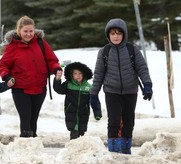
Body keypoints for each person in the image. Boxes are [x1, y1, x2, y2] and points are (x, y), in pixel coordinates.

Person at [90, 18, 153, 154]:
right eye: (113, 33)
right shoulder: (104, 52)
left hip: (130, 91)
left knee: (128, 121)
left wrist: (147, 84)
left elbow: (142, 68)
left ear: (124, 34)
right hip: (111, 91)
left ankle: (125, 150)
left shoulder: (132, 49)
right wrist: (93, 94)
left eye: (119, 33)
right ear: (108, 35)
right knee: (114, 121)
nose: (116, 36)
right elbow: (99, 74)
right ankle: (113, 151)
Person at [0, 15, 62, 138]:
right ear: (19, 31)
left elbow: (51, 59)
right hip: (20, 89)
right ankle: (26, 141)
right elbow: (4, 65)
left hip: (39, 87)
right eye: (25, 31)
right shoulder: (12, 46)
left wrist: (56, 68)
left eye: (31, 31)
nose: (28, 34)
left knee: (34, 118)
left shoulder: (40, 43)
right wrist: (6, 77)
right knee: (26, 117)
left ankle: (32, 144)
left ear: (34, 30)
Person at [53, 62, 98, 140]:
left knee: (81, 132)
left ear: (84, 74)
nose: (78, 75)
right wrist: (57, 79)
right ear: (71, 75)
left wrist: (97, 113)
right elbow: (59, 89)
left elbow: (95, 101)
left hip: (83, 113)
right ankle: (73, 146)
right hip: (71, 112)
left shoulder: (88, 87)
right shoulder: (68, 84)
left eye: (80, 73)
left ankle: (80, 149)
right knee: (74, 131)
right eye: (75, 73)